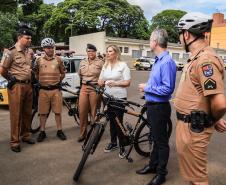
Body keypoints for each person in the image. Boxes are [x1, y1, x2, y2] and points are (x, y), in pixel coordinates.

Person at [174, 12, 226, 185]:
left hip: (194, 127)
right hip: (189, 125)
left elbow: (220, 103)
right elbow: (204, 95)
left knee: (198, 179)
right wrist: (213, 117)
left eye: (180, 34)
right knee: (192, 175)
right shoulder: (195, 58)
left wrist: (211, 119)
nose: (180, 39)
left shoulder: (206, 60)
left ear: (186, 34)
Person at [137, 29, 176, 185]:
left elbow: (168, 89)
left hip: (160, 107)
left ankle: (161, 173)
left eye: (150, 39)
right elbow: (157, 84)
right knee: (154, 137)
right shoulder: (158, 60)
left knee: (161, 142)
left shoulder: (167, 62)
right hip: (153, 105)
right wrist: (147, 93)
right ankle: (153, 166)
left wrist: (147, 88)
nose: (149, 42)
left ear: (155, 42)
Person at [0, 25, 35, 153]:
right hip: (17, 86)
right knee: (16, 115)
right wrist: (11, 79)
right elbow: (2, 70)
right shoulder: (10, 52)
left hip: (28, 86)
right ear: (20, 38)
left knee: (27, 112)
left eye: (30, 38)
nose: (30, 40)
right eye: (27, 38)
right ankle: (15, 142)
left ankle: (25, 135)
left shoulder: (29, 52)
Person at [98, 44, 131, 159]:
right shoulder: (105, 65)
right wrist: (100, 82)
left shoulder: (123, 65)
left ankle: (122, 146)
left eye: (110, 51)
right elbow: (100, 80)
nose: (107, 53)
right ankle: (113, 143)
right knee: (111, 121)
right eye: (107, 51)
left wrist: (115, 83)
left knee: (118, 122)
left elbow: (127, 82)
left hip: (119, 98)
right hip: (107, 97)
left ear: (116, 53)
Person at [34, 38, 67, 142]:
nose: (50, 49)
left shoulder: (58, 59)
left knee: (58, 112)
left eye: (51, 47)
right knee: (42, 113)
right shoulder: (38, 60)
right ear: (43, 48)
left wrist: (57, 81)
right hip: (43, 90)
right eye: (47, 47)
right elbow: (36, 74)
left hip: (55, 90)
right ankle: (42, 132)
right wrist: (42, 82)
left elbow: (63, 73)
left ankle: (59, 130)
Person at [77, 44, 104, 142]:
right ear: (86, 52)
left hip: (95, 88)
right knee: (82, 112)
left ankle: (94, 135)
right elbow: (79, 74)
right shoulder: (82, 62)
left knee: (94, 113)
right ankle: (82, 134)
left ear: (95, 52)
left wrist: (100, 89)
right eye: (89, 51)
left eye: (92, 51)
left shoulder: (100, 62)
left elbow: (103, 76)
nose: (90, 53)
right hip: (84, 88)